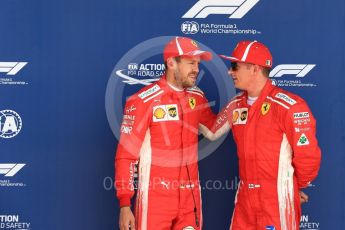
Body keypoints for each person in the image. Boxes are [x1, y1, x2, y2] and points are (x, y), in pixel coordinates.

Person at [115, 36, 219, 230]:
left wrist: (240, 106)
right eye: (190, 63)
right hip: (155, 201)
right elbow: (126, 157)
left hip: (190, 201)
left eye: (197, 64)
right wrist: (124, 204)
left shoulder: (197, 98)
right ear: (171, 63)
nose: (196, 69)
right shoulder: (143, 101)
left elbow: (213, 129)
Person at [215, 40, 322, 230]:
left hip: (277, 201)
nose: (230, 72)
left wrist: (294, 186)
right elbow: (211, 130)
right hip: (245, 202)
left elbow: (308, 156)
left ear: (255, 69)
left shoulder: (290, 106)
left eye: (235, 66)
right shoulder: (236, 104)